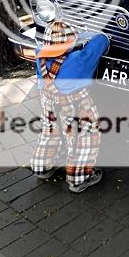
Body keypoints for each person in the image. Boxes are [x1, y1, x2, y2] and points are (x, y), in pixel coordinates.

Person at [30, 20, 109, 193]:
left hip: (48, 101)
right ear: (71, 42)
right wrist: (83, 37)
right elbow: (102, 40)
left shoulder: (39, 56)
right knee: (83, 138)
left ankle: (42, 167)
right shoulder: (79, 59)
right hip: (75, 103)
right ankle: (79, 179)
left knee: (50, 131)